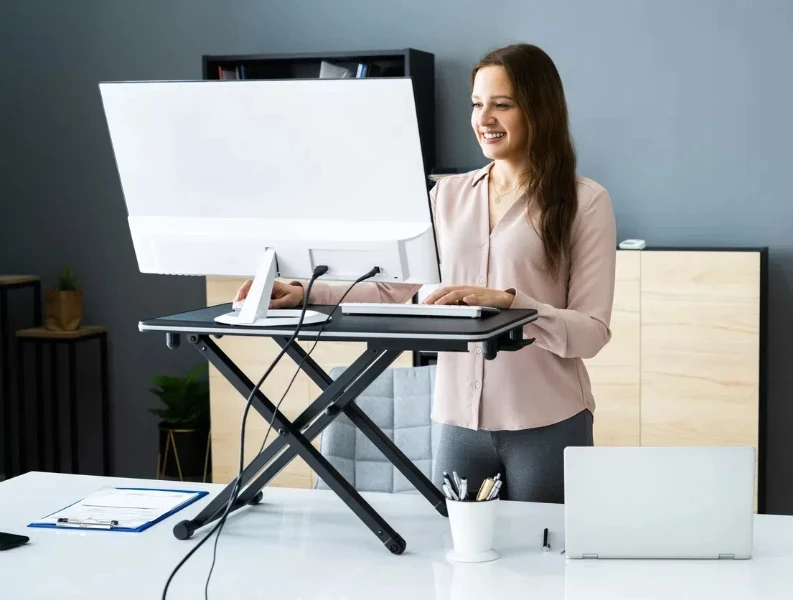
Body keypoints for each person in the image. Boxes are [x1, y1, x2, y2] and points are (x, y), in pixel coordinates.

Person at [235, 43, 617, 504]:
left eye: (502, 104)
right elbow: (399, 289)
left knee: (545, 567)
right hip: (458, 423)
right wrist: (305, 292)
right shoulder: (446, 196)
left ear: (541, 110)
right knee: (458, 563)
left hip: (547, 422)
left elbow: (591, 333)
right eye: (477, 104)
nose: (484, 119)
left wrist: (512, 306)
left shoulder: (585, 201)